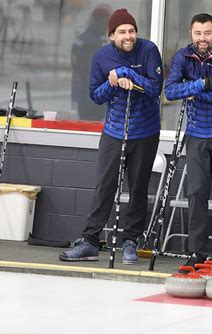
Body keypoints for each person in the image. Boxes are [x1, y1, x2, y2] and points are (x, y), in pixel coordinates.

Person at [59, 8, 163, 264]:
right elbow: (95, 95)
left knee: (138, 189)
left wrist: (128, 74)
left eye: (131, 31)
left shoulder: (148, 50)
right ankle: (90, 241)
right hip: (114, 131)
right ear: (112, 35)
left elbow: (155, 89)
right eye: (122, 32)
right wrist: (112, 82)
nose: (128, 36)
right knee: (105, 186)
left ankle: (130, 242)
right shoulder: (102, 56)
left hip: (145, 132)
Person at [164, 13, 212, 273]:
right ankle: (197, 252)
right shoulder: (182, 57)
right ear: (191, 34)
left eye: (207, 33)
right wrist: (202, 83)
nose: (202, 38)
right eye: (198, 33)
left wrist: (192, 90)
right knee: (195, 191)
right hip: (197, 132)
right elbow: (171, 91)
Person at [71, 4, 111, 121]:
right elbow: (84, 71)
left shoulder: (83, 40)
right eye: (104, 23)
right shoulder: (92, 44)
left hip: (86, 94)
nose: (106, 26)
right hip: (90, 95)